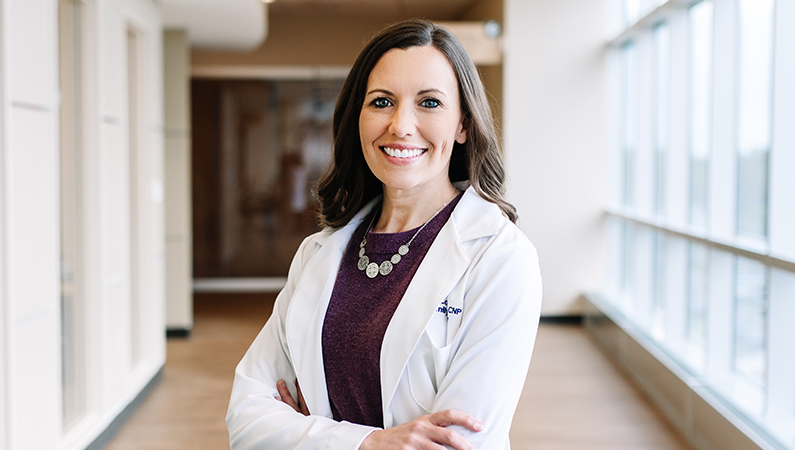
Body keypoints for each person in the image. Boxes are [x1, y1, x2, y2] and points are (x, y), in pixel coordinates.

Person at [226, 19, 542, 450]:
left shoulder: (499, 257)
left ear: (463, 125)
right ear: (359, 116)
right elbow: (246, 418)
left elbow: (459, 444)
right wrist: (371, 443)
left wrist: (307, 433)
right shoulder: (319, 253)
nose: (401, 125)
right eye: (381, 101)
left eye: (429, 103)